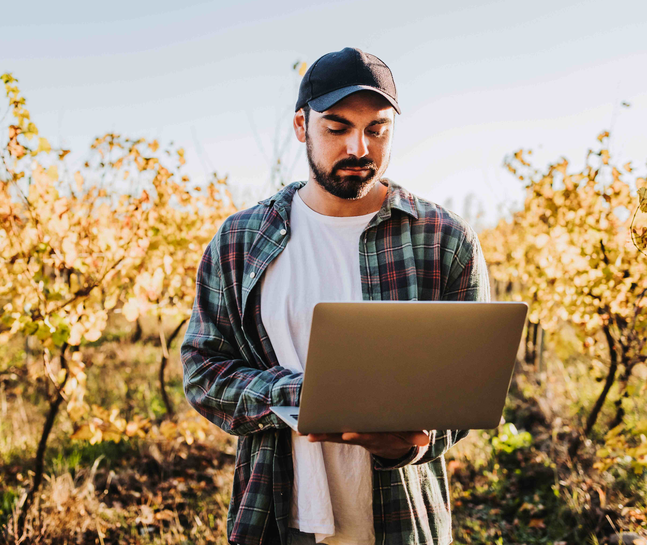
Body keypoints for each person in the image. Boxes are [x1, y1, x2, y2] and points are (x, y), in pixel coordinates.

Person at [181, 47, 490, 545]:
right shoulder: (240, 241)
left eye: (376, 130)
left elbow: (468, 387)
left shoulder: (445, 240)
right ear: (302, 126)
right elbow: (203, 368)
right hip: (277, 513)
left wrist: (413, 441)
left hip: (402, 518)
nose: (359, 148)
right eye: (337, 127)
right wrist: (300, 396)